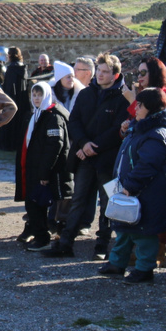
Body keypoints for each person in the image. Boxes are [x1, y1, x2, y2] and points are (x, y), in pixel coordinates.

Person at [44, 54, 127, 259]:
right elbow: (74, 122)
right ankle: (66, 242)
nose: (100, 75)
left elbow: (119, 129)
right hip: (85, 157)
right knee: (78, 199)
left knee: (108, 203)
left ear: (115, 75)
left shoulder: (122, 98)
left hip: (108, 159)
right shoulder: (86, 94)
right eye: (98, 70)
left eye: (105, 71)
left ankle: (102, 244)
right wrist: (83, 143)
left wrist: (94, 146)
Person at [98, 87, 166, 284]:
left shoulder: (157, 132)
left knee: (144, 232)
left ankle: (144, 269)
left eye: (139, 105)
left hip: (146, 192)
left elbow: (148, 164)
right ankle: (117, 263)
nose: (136, 108)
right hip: (132, 189)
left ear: (150, 108)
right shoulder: (140, 127)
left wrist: (131, 185)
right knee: (124, 228)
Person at [16, 81, 71, 252]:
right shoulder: (34, 114)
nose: (37, 98)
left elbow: (54, 147)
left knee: (38, 204)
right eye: (34, 95)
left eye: (40, 95)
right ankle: (38, 234)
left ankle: (42, 238)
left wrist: (44, 173)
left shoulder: (53, 117)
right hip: (31, 169)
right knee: (32, 204)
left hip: (43, 172)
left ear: (46, 95)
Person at [0, 47, 29, 155]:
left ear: (10, 55)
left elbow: (9, 88)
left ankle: (8, 144)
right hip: (22, 101)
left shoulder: (11, 69)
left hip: (12, 100)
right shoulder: (23, 68)